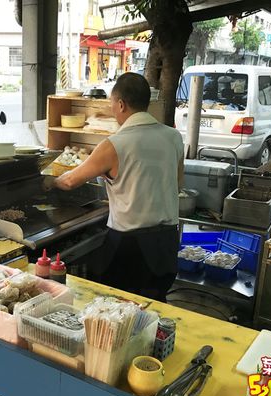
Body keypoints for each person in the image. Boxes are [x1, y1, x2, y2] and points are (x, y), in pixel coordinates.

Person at [45, 73, 184, 301]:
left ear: (121, 104)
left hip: (131, 245)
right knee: (155, 304)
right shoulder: (173, 137)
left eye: (111, 103)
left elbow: (70, 181)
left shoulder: (115, 144)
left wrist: (49, 181)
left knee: (118, 307)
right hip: (166, 242)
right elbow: (177, 183)